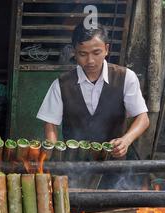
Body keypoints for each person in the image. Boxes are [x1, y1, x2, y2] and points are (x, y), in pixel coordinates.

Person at [37, 23, 149, 159]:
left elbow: (143, 118)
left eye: (96, 53)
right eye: (83, 54)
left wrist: (126, 140)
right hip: (74, 163)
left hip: (113, 161)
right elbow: (50, 123)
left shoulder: (126, 77)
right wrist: (54, 153)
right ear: (75, 52)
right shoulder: (62, 84)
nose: (90, 61)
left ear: (106, 49)